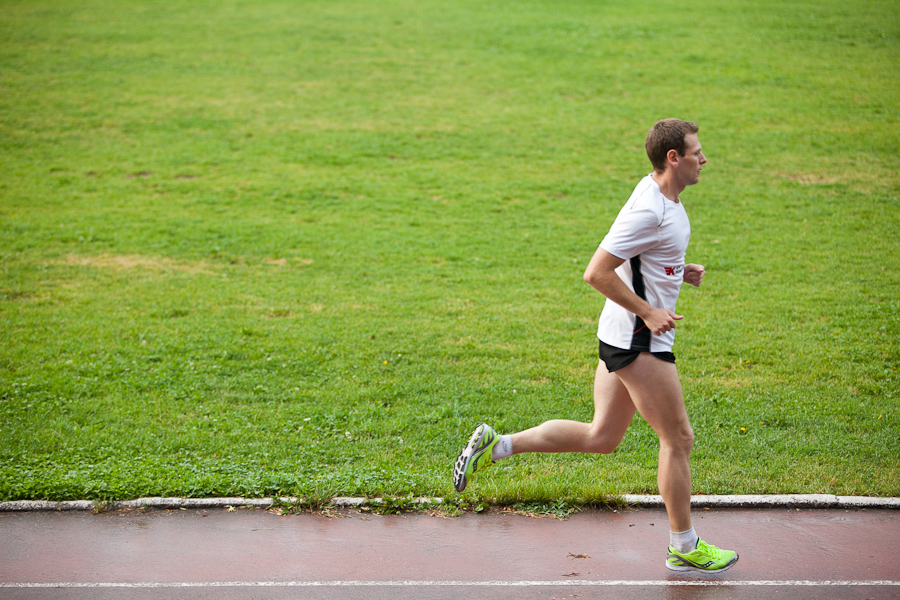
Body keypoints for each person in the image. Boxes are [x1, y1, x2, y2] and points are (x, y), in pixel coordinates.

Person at [452, 119, 738, 574]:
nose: (704, 159)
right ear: (673, 159)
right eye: (697, 152)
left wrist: (675, 269)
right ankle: (684, 545)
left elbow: (642, 255)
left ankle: (496, 446)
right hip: (638, 339)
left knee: (601, 437)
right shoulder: (650, 209)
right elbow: (596, 273)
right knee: (678, 438)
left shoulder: (662, 198)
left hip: (620, 334)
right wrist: (647, 311)